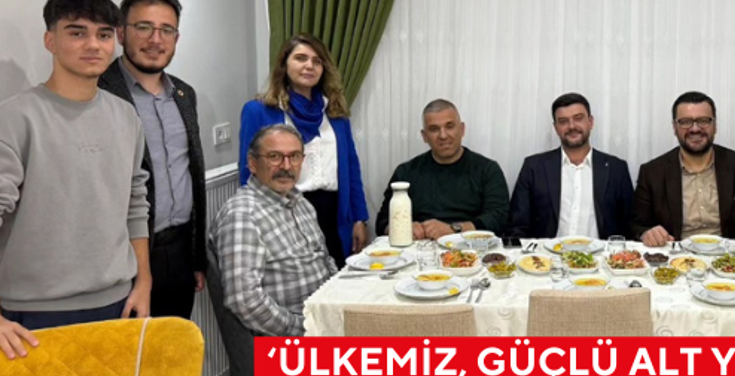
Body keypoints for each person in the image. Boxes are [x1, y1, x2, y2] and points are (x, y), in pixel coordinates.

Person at [0, 0, 152, 359]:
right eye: (77, 32)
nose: (93, 44)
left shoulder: (126, 116)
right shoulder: (12, 119)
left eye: (104, 34)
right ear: (50, 41)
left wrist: (144, 281)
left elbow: (135, 201)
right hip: (36, 314)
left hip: (118, 302)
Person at [213, 124, 336, 376]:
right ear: (252, 163)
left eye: (294, 156)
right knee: (397, 356)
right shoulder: (243, 215)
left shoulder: (299, 202)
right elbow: (244, 300)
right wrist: (301, 330)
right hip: (282, 346)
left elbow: (324, 260)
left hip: (319, 323)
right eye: (274, 157)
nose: (286, 166)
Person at [98, 0, 206, 319]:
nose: (155, 40)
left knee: (175, 345)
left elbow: (192, 176)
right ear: (121, 33)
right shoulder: (98, 91)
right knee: (132, 349)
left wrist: (196, 258)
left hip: (180, 250)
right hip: (125, 257)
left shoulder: (184, 94)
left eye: (166, 30)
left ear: (176, 38)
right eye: (144, 27)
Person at [239, 34, 369, 267]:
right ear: (284, 64)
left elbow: (351, 167)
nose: (310, 65)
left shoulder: (335, 113)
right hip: (284, 214)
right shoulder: (259, 111)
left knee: (337, 280)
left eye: (317, 61)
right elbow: (248, 172)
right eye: (301, 58)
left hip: (334, 215)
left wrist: (360, 218)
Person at [633, 91, 735, 247]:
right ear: (674, 127)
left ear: (715, 125)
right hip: (676, 255)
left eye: (703, 121)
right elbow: (637, 224)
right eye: (685, 122)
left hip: (728, 255)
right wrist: (646, 233)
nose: (695, 129)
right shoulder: (652, 172)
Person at [377, 100, 510, 239]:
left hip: (470, 247)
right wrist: (402, 227)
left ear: (462, 129)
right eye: (434, 129)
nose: (443, 135)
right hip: (420, 247)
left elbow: (499, 219)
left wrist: (455, 229)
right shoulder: (406, 172)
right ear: (424, 136)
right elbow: (382, 222)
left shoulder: (487, 170)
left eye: (450, 126)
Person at [509, 93, 635, 240]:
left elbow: (630, 225)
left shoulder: (616, 169)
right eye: (563, 121)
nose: (572, 126)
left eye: (578, 118)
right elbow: (517, 225)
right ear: (556, 128)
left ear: (590, 122)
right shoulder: (534, 167)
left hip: (601, 253)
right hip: (545, 253)